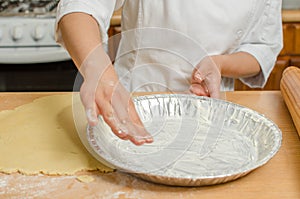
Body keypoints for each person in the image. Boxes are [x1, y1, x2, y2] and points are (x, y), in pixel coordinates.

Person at [55, 0, 283, 145]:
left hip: (212, 118)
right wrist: (98, 72)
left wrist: (220, 64)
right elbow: (79, 7)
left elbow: (262, 49)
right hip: (129, 107)